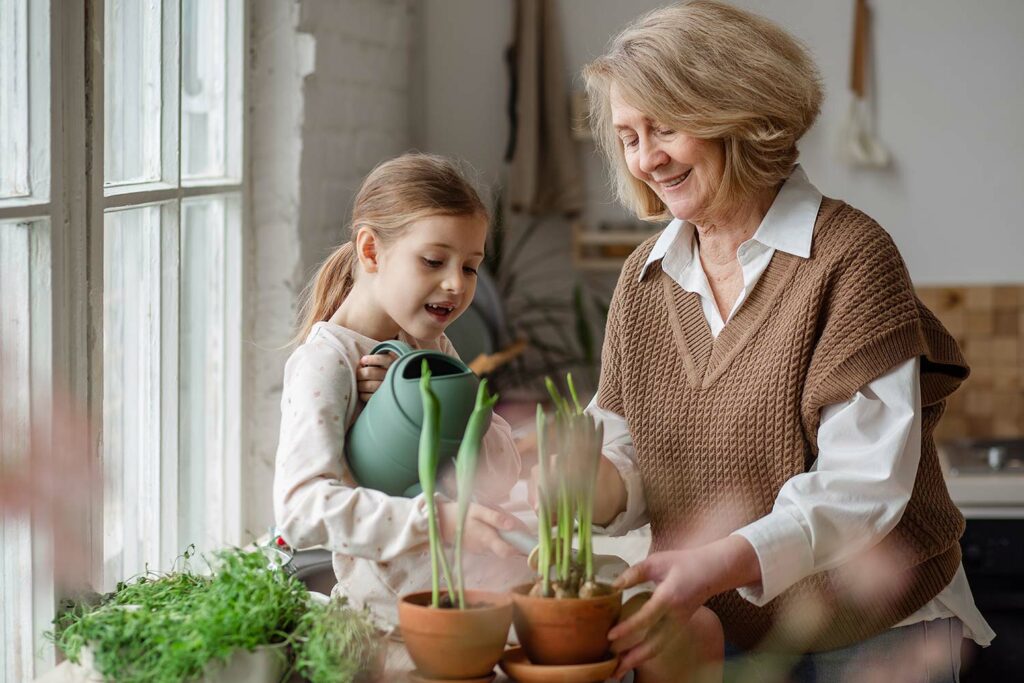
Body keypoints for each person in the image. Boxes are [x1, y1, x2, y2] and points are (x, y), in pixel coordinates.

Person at [574, 2, 994, 681]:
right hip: (720, 630)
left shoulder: (849, 258)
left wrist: (721, 559)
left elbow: (860, 488)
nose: (646, 158)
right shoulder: (644, 278)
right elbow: (628, 446)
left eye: (666, 127)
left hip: (873, 631)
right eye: (628, 136)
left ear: (735, 113)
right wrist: (576, 479)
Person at [273, 153, 531, 626]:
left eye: (471, 267)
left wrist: (432, 394)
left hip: (467, 590)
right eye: (434, 261)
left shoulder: (427, 344)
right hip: (399, 620)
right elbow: (300, 510)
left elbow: (501, 471)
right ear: (371, 251)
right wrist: (440, 521)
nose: (455, 284)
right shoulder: (326, 362)